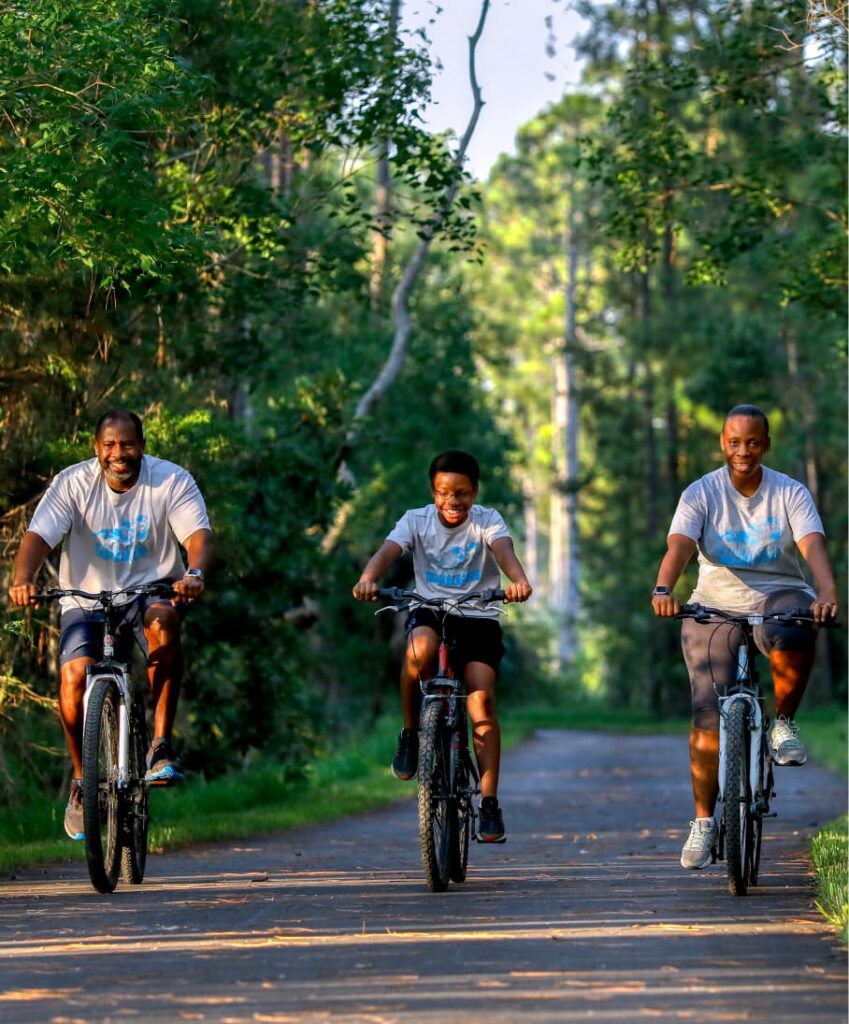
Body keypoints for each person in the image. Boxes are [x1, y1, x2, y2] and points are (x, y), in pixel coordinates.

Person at [8, 409, 213, 841]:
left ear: (142, 444)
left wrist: (193, 573)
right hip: (85, 597)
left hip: (149, 592)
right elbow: (39, 537)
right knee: (72, 677)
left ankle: (159, 746)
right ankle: (83, 783)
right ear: (97, 448)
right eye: (109, 445)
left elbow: (197, 536)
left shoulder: (170, 480)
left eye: (127, 444)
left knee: (165, 622)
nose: (118, 453)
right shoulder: (73, 484)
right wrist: (21, 579)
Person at [651, 404, 840, 870]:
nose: (743, 451)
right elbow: (678, 545)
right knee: (706, 713)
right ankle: (703, 822)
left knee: (792, 626)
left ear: (766, 445)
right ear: (722, 442)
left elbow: (812, 543)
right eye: (734, 441)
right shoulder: (701, 492)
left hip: (781, 594)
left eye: (753, 442)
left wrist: (828, 590)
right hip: (714, 603)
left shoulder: (789, 492)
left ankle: (784, 722)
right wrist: (663, 588)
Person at [352, 449, 532, 844]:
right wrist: (369, 577)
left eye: (463, 494)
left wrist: (517, 580)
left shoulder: (488, 520)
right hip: (430, 609)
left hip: (478, 615)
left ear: (475, 492)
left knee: (481, 700)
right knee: (418, 655)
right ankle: (411, 733)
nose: (454, 502)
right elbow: (388, 551)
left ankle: (488, 803)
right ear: (433, 492)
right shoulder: (415, 521)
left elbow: (504, 551)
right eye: (444, 493)